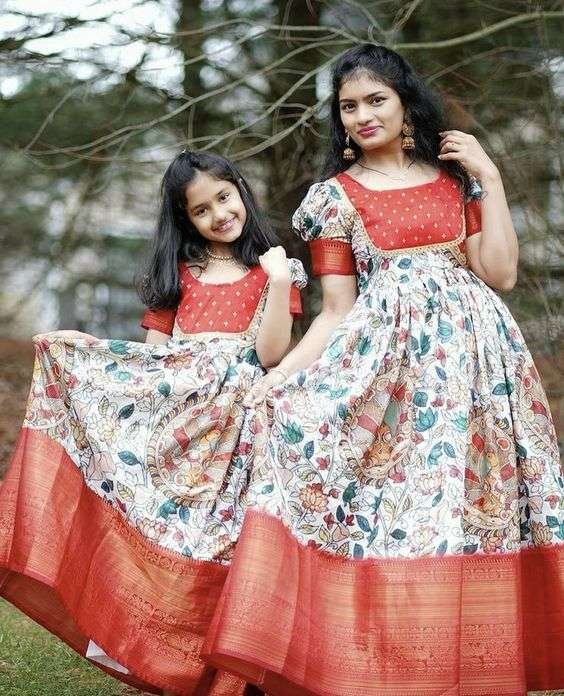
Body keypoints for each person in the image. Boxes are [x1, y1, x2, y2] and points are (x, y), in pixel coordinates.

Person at [202, 45, 564, 695]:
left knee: (467, 512)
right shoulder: (333, 199)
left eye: (376, 100)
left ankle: (465, 669)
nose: (363, 115)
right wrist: (282, 378)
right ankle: (378, 664)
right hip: (391, 378)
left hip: (479, 372)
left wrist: (490, 175)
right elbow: (336, 311)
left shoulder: (455, 180)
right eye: (349, 107)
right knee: (405, 512)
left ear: (404, 103)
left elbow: (501, 272)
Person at [0, 150, 306, 695]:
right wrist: (89, 352)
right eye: (200, 210)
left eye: (224, 197)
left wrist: (279, 281)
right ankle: (164, 659)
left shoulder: (273, 271)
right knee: (175, 537)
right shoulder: (176, 277)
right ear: (185, 219)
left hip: (243, 439)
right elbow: (151, 365)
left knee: (228, 544)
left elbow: (270, 354)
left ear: (241, 190)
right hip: (181, 435)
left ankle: (231, 673)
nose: (218, 214)